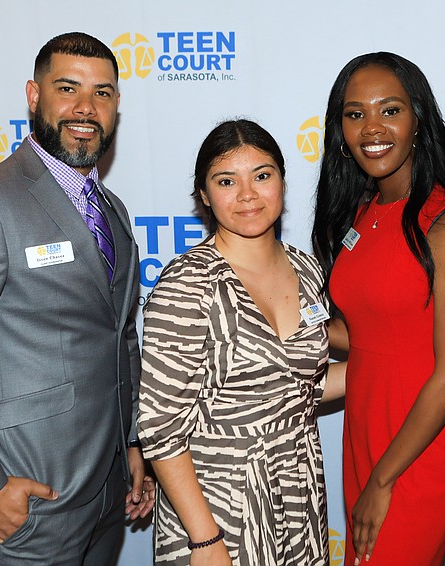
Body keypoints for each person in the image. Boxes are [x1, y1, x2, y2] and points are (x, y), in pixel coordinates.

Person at [0, 32, 155, 564]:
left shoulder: (113, 212)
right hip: (27, 498)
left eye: (103, 93)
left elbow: (120, 335)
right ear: (34, 97)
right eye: (68, 88)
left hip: (106, 491)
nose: (86, 108)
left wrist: (132, 442)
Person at [138, 119, 346, 565]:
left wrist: (406, 361)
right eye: (227, 181)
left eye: (262, 175)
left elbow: (300, 386)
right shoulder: (187, 285)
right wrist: (204, 539)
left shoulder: (308, 271)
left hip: (299, 495)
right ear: (204, 195)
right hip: (218, 507)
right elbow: (160, 427)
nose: (247, 194)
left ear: (283, 183)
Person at [312, 52, 445, 565]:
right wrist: (274, 326)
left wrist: (383, 479)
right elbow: (362, 331)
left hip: (418, 449)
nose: (371, 128)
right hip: (365, 433)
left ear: (418, 121)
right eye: (354, 113)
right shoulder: (362, 213)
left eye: (389, 110)